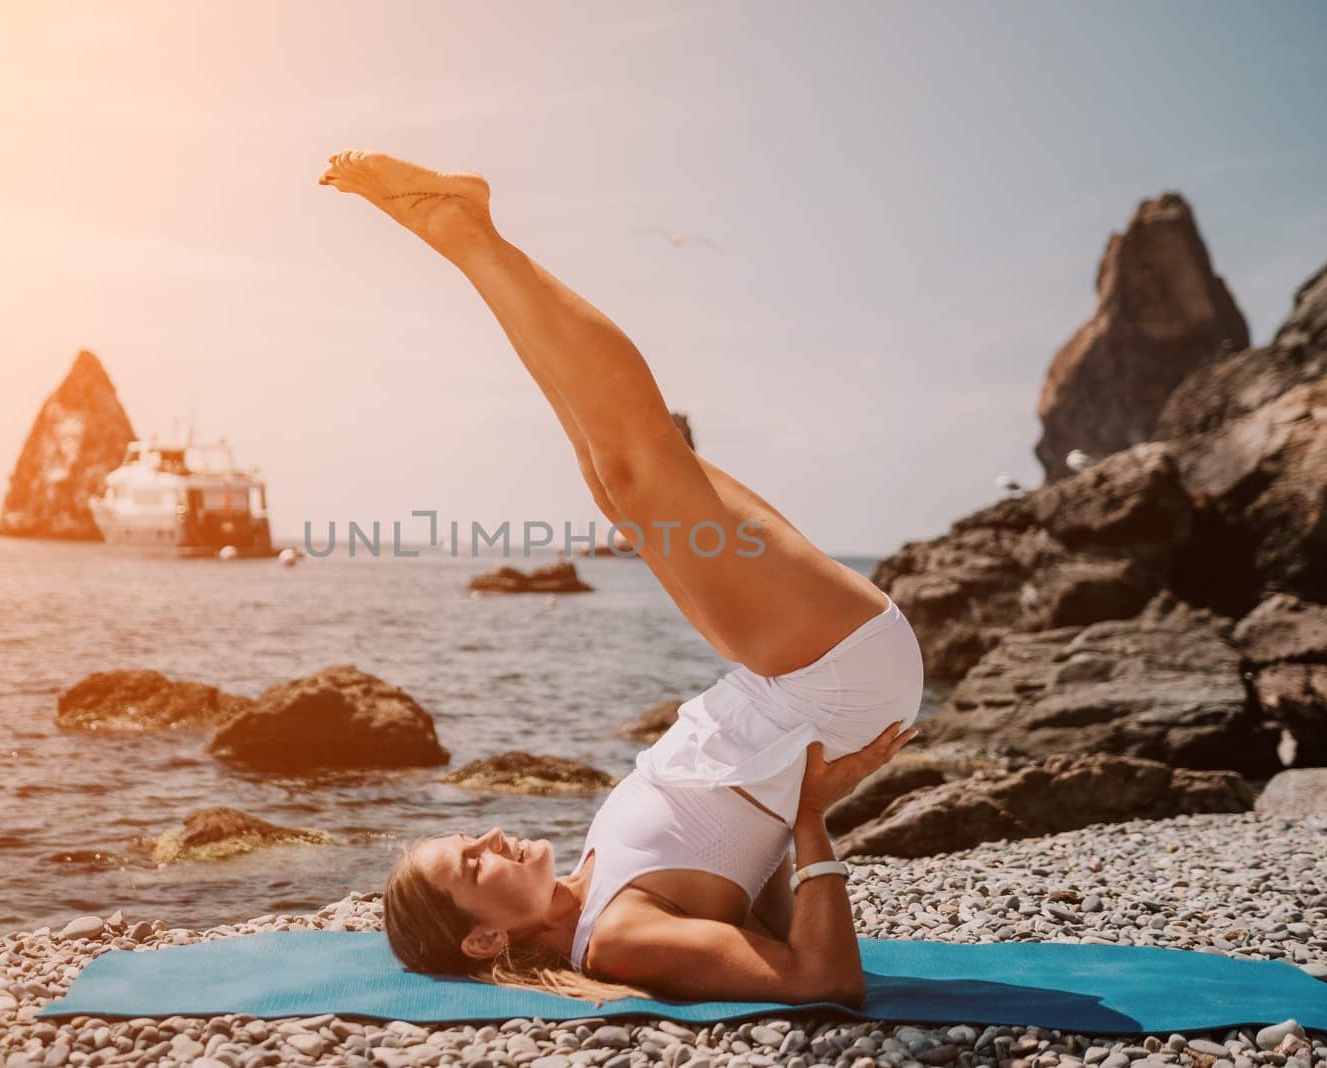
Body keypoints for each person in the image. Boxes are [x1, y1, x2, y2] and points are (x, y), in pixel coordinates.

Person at [319, 152, 925, 1007]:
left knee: (616, 475)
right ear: (486, 936)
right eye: (472, 861)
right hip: (831, 685)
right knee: (639, 472)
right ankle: (465, 234)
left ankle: (466, 233)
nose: (491, 834)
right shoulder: (618, 941)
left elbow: (746, 891)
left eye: (470, 837)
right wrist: (812, 813)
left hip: (791, 681)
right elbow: (821, 982)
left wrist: (783, 824)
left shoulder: (596, 881)